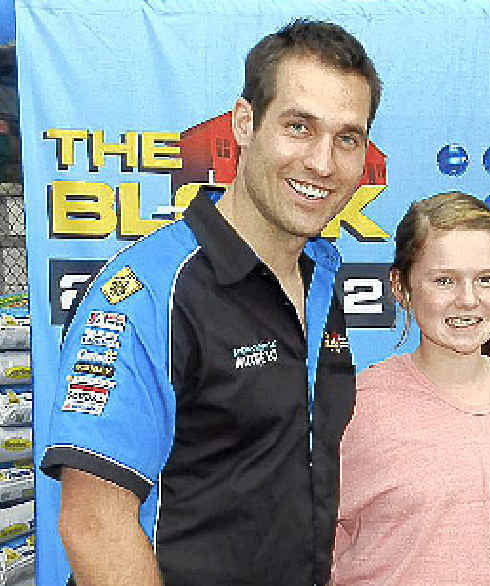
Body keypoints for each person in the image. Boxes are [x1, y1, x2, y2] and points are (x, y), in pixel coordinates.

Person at [39, 20, 381, 585]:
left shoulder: (320, 276)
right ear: (245, 123)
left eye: (347, 138)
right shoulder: (149, 289)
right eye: (299, 127)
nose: (323, 163)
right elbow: (94, 524)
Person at [331, 192, 490, 585]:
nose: (467, 300)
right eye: (444, 280)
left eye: (485, 279)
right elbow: (299, 544)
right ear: (402, 287)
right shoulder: (356, 406)